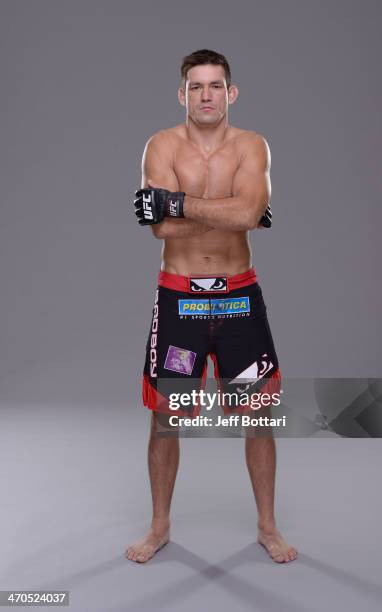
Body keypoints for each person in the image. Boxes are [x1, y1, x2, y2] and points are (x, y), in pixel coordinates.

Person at [127, 49, 298, 564]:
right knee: (166, 417)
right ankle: (159, 526)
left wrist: (178, 202)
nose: (206, 95)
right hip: (179, 299)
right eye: (197, 86)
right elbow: (161, 229)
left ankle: (268, 527)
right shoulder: (161, 146)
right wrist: (236, 213)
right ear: (182, 94)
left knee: (259, 416)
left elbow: (240, 211)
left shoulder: (251, 146)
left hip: (238, 299)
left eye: (216, 86)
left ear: (232, 92)